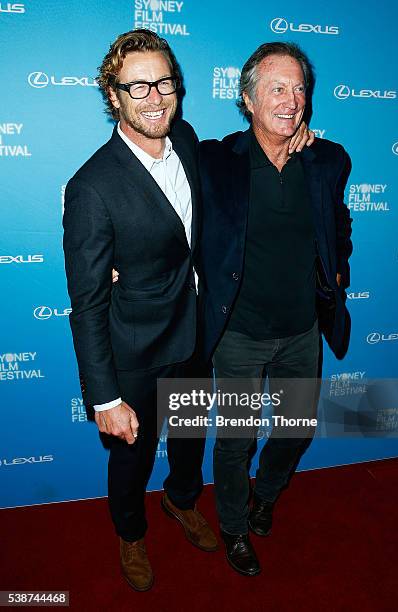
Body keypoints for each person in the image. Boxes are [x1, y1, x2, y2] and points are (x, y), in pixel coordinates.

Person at [62, 29, 219, 592]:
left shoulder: (191, 139)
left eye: (164, 82)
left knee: (190, 438)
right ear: (113, 95)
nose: (154, 97)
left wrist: (298, 136)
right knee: (132, 460)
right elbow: (86, 304)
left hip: (195, 336)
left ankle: (181, 502)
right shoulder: (92, 188)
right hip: (136, 354)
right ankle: (130, 533)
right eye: (137, 86)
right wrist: (104, 397)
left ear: (178, 86)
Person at [199, 42, 352, 576]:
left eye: (299, 88)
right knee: (236, 438)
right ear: (247, 99)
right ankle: (235, 527)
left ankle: (267, 495)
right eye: (277, 88)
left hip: (301, 330)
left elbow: (340, 225)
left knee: (294, 428)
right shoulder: (216, 159)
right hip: (238, 333)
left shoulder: (327, 159)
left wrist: (338, 271)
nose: (292, 100)